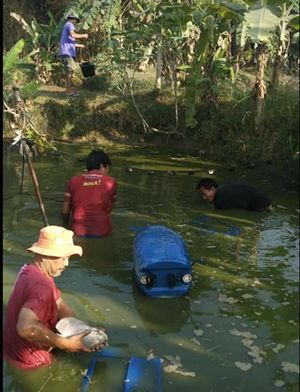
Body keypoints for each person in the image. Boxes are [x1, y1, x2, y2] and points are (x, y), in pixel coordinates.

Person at [3, 225, 107, 369]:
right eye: (63, 258)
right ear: (44, 257)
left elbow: (58, 304)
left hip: (10, 348)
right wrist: (67, 344)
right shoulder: (41, 288)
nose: (66, 264)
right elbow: (26, 329)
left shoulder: (31, 270)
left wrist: (82, 329)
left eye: (68, 258)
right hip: (31, 362)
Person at [62, 149, 118, 237]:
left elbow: (65, 210)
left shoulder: (73, 180)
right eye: (107, 168)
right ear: (102, 166)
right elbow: (109, 209)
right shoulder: (111, 182)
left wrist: (65, 225)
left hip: (77, 231)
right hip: (102, 231)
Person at [197, 178, 271, 212]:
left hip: (259, 203)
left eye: (204, 194)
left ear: (213, 189)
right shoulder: (222, 191)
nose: (204, 197)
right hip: (263, 199)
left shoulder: (220, 199)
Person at [59, 13, 89, 96]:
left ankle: (70, 89)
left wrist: (80, 45)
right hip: (66, 52)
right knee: (70, 71)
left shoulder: (66, 27)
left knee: (70, 71)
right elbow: (73, 35)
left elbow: (71, 43)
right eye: (76, 21)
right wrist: (84, 35)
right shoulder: (69, 24)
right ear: (73, 19)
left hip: (66, 52)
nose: (76, 23)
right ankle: (69, 91)